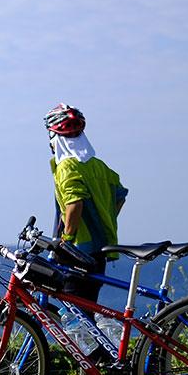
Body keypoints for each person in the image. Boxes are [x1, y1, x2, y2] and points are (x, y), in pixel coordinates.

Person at [44, 103, 128, 304]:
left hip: (77, 250)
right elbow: (120, 196)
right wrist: (103, 219)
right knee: (88, 308)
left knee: (72, 308)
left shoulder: (66, 166)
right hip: (100, 250)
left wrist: (67, 237)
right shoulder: (98, 166)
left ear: (53, 138)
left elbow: (75, 203)